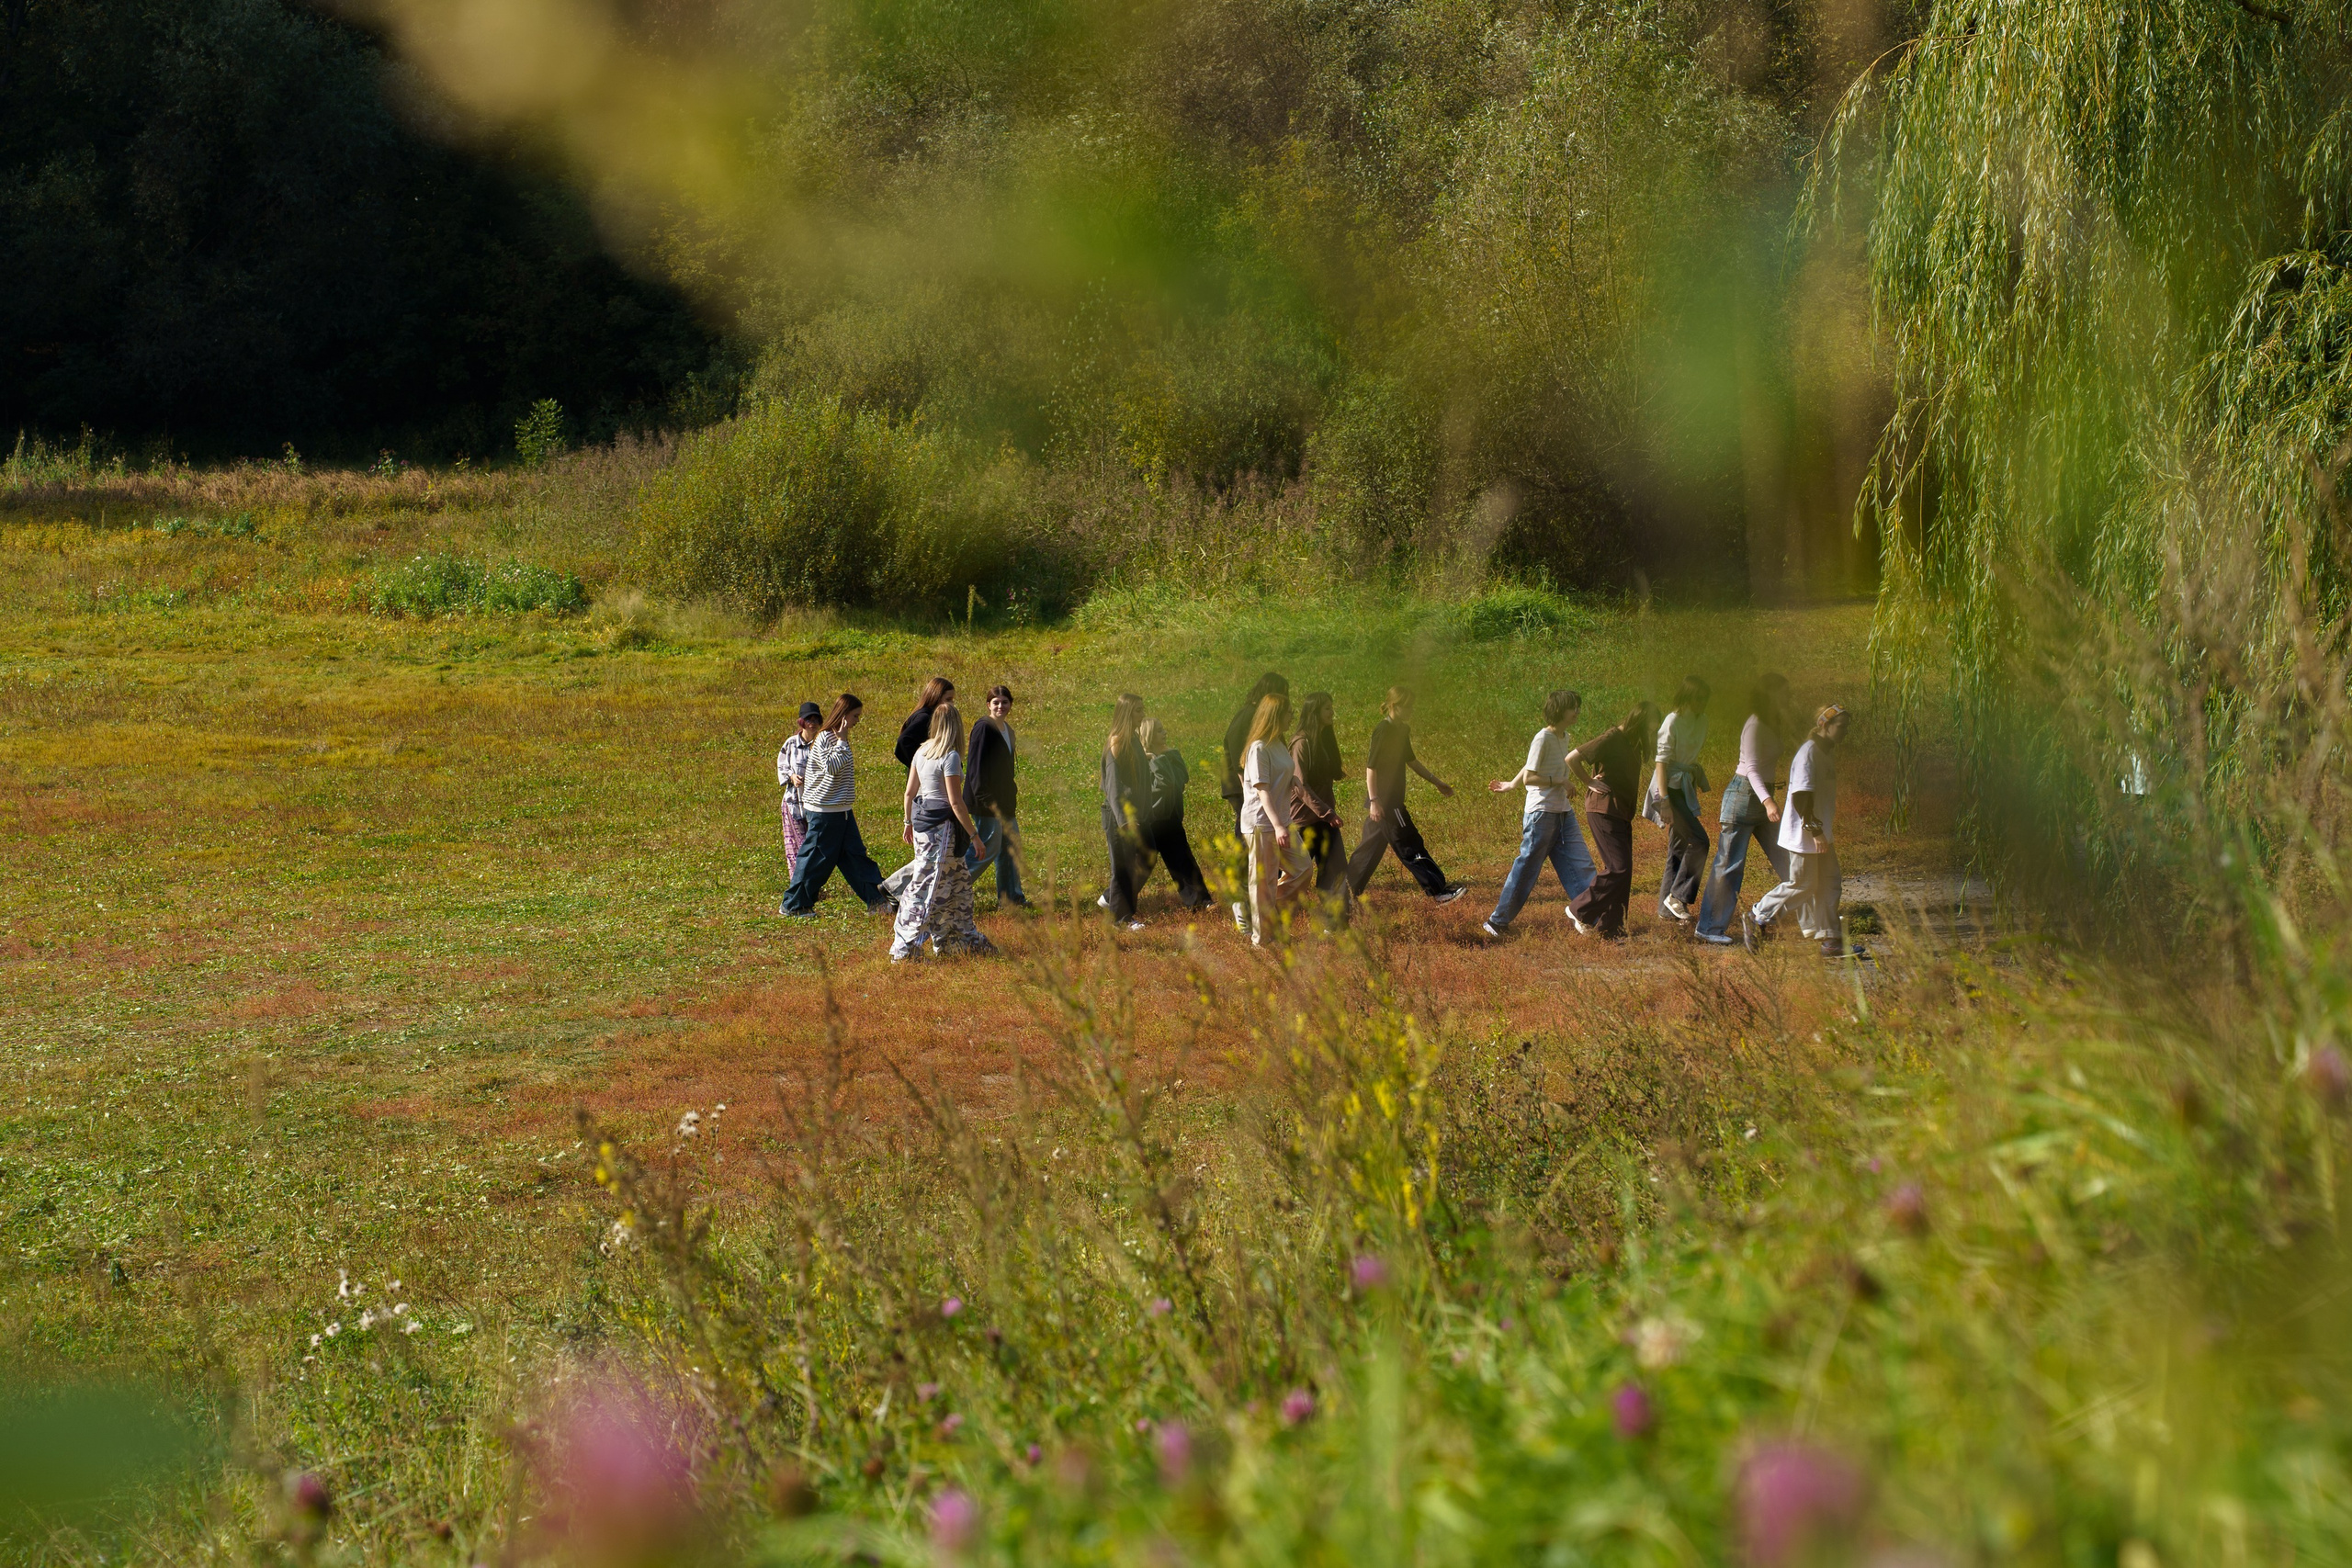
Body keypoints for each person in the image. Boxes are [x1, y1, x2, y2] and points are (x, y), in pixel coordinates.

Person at [1480, 688, 1594, 938]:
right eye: (1572, 707)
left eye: (1578, 707)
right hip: (1541, 814)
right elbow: (1533, 775)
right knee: (1527, 868)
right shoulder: (1542, 737)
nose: (1577, 711)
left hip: (1562, 812)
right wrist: (1561, 782)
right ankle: (1496, 923)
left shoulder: (1564, 736)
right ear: (1559, 710)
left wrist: (1511, 783)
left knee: (1581, 863)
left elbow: (1529, 767)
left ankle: (1590, 914)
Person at [891, 701, 996, 961]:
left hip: (924, 827)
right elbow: (955, 802)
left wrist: (908, 823)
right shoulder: (949, 756)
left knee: (957, 883)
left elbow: (909, 793)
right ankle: (904, 950)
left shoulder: (921, 751)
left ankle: (959, 939)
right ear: (957, 727)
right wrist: (975, 836)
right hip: (941, 832)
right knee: (927, 886)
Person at [1747, 704, 1853, 956]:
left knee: (1829, 882)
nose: (1845, 732)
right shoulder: (1810, 753)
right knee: (1803, 884)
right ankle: (1758, 915)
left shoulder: (1825, 752)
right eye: (1841, 727)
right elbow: (1801, 797)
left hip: (1821, 833)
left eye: (1847, 727)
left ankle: (1831, 939)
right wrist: (1815, 830)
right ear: (1824, 725)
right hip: (1805, 835)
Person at [1696, 674, 1793, 946]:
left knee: (1790, 859)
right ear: (1769, 695)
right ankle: (1708, 928)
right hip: (1744, 797)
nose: (1788, 697)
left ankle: (1774, 916)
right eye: (1783, 693)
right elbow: (1750, 767)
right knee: (1729, 866)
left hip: (1762, 797)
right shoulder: (1755, 724)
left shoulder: (1773, 722)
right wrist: (1768, 801)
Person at [1344, 687, 1465, 903]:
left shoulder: (1402, 730)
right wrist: (1374, 801)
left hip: (1388, 803)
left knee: (1368, 851)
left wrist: (1438, 783)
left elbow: (1412, 761)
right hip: (1387, 804)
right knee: (1410, 844)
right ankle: (1439, 891)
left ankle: (1343, 895)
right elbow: (1371, 768)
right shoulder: (1383, 731)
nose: (1410, 710)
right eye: (1406, 706)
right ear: (1394, 705)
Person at [779, 694, 895, 918]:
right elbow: (831, 767)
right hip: (824, 812)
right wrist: (842, 741)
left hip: (840, 811)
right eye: (855, 716)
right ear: (843, 716)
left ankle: (877, 901)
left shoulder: (837, 737)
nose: (857, 721)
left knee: (855, 856)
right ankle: (793, 905)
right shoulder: (825, 738)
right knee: (815, 859)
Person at [1564, 703, 1659, 939]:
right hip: (1603, 809)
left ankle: (1612, 929)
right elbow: (1572, 758)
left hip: (1621, 812)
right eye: (1650, 728)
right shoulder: (1613, 737)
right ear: (1639, 721)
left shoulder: (1632, 742)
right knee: (1618, 867)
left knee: (1624, 873)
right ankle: (1580, 909)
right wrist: (1588, 781)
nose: (1651, 734)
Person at [1240, 691, 1313, 945]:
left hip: (1280, 822)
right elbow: (1262, 790)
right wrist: (1278, 826)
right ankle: (1262, 939)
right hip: (1262, 824)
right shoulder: (1258, 748)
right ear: (1275, 715)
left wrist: (1292, 780)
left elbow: (1280, 774)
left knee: (1303, 869)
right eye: (1288, 713)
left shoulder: (1278, 744)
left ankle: (1269, 912)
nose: (1292, 716)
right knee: (1263, 882)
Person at [1220, 672, 1291, 933]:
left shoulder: (1260, 719)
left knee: (1255, 850)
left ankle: (1258, 901)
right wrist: (1252, 795)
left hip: (1260, 792)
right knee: (1247, 847)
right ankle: (1242, 904)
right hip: (1245, 793)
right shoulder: (1246, 718)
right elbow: (1242, 763)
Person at [880, 676, 956, 901]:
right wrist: (923, 767)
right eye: (948, 699)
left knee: (931, 852)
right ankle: (896, 889)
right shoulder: (924, 717)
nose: (951, 704)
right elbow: (902, 745)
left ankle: (901, 891)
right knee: (930, 854)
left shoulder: (924, 715)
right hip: (925, 794)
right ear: (936, 697)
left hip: (926, 791)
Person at [1136, 716, 1215, 909]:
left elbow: (1177, 781)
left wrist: (1158, 761)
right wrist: (1153, 762)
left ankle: (1201, 901)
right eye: (1160, 731)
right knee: (1141, 865)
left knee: (1184, 861)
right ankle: (1116, 900)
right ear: (1150, 736)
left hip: (1170, 819)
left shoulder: (1173, 755)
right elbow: (1153, 788)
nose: (1165, 733)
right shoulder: (1141, 762)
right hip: (1152, 819)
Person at [1651, 675, 1713, 923]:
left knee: (1677, 847)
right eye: (1698, 699)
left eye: (1705, 700)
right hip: (1670, 789)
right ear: (1687, 697)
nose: (1702, 704)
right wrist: (1664, 800)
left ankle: (1666, 908)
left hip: (1685, 785)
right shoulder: (1672, 720)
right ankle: (1678, 897)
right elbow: (1661, 763)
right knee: (1700, 841)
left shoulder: (1703, 720)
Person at [964, 684, 1028, 908]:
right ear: (988, 705)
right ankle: (949, 893)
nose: (1001, 706)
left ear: (1011, 704)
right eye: (996, 702)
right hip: (987, 804)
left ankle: (1011, 899)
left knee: (1010, 849)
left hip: (1005, 804)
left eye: (1005, 702)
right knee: (984, 851)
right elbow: (975, 770)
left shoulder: (1007, 730)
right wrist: (987, 801)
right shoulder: (984, 728)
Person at [1290, 692, 1351, 909]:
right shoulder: (1301, 744)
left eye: (1331, 707)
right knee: (1293, 876)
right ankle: (1273, 915)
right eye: (1327, 708)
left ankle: (1335, 917)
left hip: (1323, 818)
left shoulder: (1322, 739)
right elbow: (1300, 786)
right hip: (1304, 821)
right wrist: (1327, 812)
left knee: (1335, 867)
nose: (1332, 712)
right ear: (1314, 712)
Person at [1101, 694, 1152, 931]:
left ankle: (1111, 898)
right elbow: (1112, 787)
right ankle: (1122, 919)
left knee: (1145, 858)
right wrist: (1123, 820)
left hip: (1136, 815)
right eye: (1138, 711)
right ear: (1127, 713)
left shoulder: (1132, 740)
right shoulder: (1118, 741)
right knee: (1123, 867)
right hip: (1119, 817)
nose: (1143, 715)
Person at [776, 700, 821, 879]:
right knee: (797, 846)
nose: (812, 723)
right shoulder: (791, 744)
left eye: (816, 719)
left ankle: (811, 884)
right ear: (801, 722)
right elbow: (782, 767)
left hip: (814, 804)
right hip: (793, 804)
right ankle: (798, 884)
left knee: (813, 846)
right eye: (808, 719)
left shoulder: (821, 744)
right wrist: (792, 777)